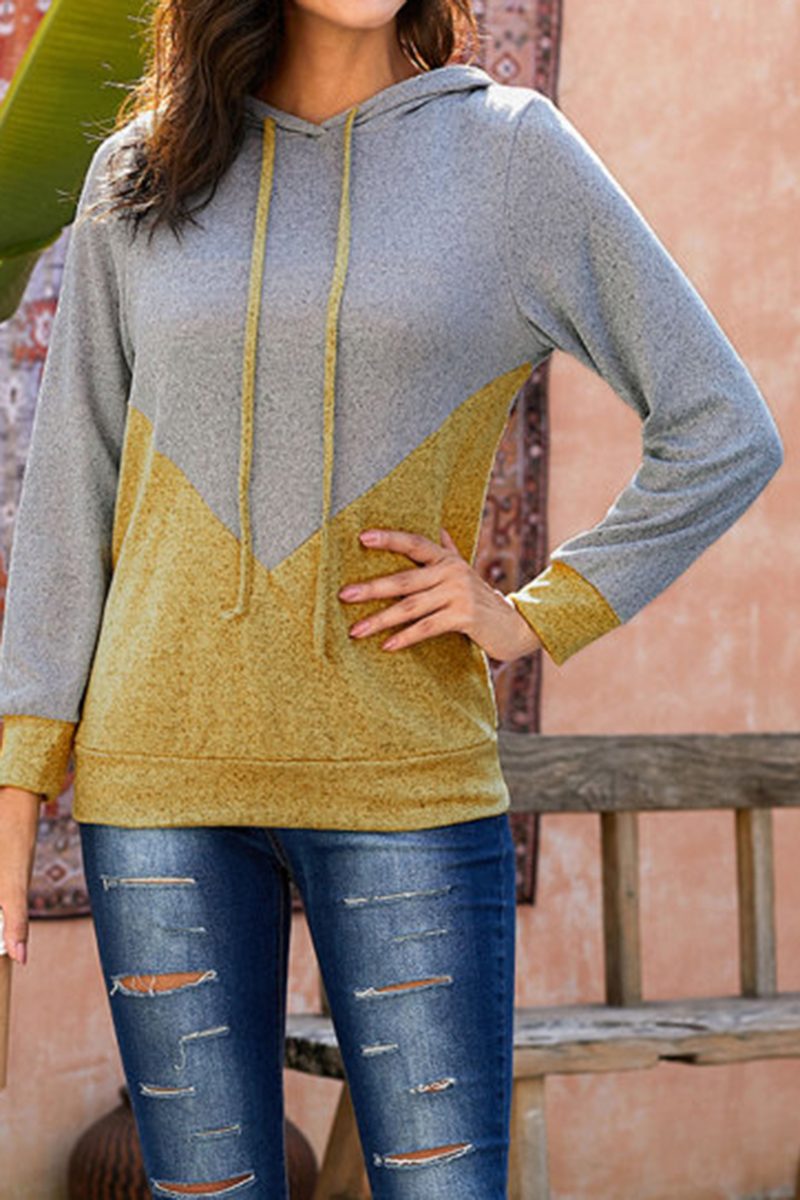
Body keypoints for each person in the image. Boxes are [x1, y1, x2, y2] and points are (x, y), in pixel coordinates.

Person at [0, 0, 783, 1196]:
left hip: (401, 781)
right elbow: (69, 489)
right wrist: (17, 786)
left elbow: (721, 427)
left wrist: (537, 611)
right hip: (156, 789)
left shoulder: (509, 154)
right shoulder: (142, 172)